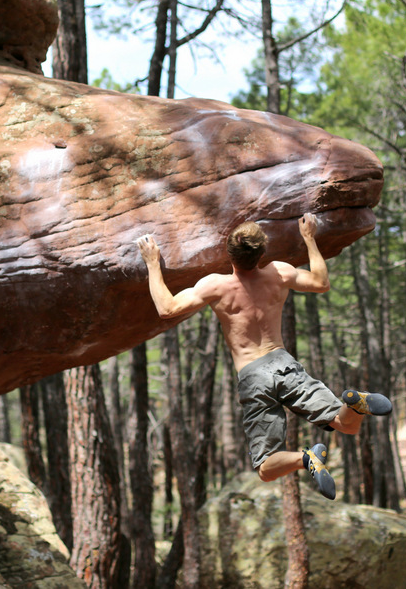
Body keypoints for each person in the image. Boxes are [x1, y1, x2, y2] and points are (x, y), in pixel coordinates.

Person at [136, 213, 392, 500]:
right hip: (283, 363)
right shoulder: (278, 273)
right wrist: (310, 238)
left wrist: (151, 263)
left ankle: (304, 459)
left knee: (265, 467)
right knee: (346, 425)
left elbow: (167, 309)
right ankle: (356, 403)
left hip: (253, 375)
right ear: (261, 254)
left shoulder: (216, 286)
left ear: (229, 254)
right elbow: (321, 282)